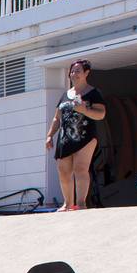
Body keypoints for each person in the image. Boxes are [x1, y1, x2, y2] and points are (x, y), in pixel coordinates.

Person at [45, 59, 106, 211]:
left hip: (85, 137)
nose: (74, 74)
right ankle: (67, 203)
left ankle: (81, 204)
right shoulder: (65, 95)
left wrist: (85, 110)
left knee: (80, 169)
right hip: (65, 137)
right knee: (63, 170)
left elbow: (101, 114)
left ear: (86, 73)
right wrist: (49, 135)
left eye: (78, 71)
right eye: (72, 71)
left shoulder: (93, 93)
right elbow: (56, 118)